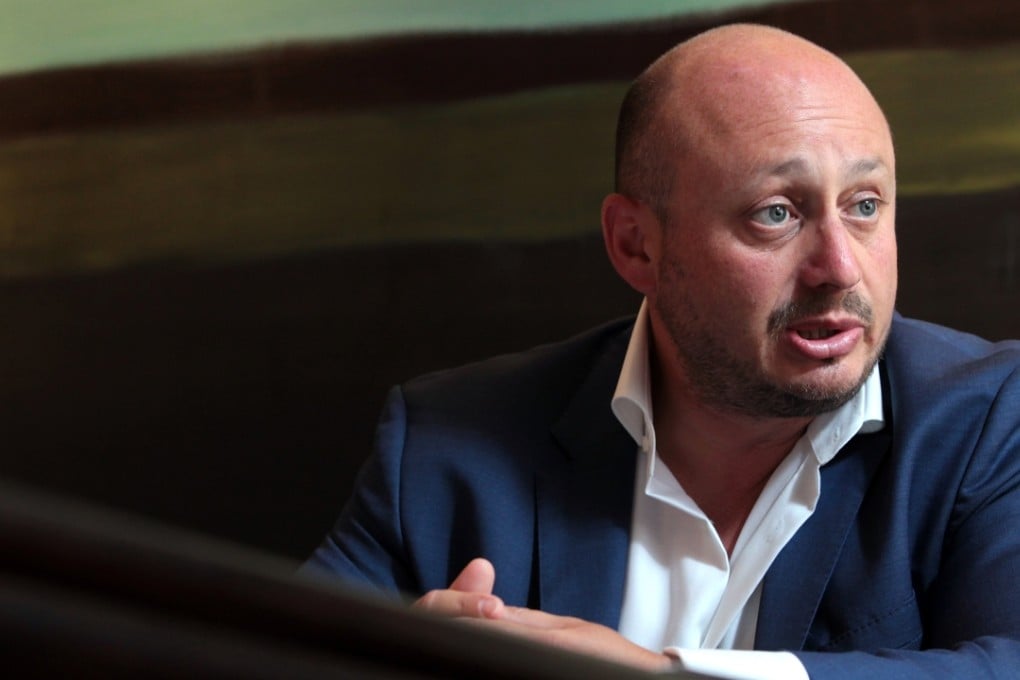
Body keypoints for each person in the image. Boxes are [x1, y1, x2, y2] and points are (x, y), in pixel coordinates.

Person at [303, 23, 1020, 679]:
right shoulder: (444, 448)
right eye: (776, 214)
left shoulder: (991, 421)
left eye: (865, 205)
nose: (839, 266)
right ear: (635, 245)